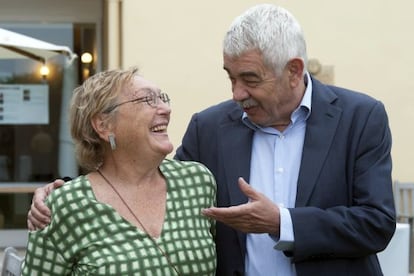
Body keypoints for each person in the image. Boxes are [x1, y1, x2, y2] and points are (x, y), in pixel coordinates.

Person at [28, 4, 395, 276]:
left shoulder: (360, 117)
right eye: (230, 77)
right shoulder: (211, 126)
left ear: (294, 71)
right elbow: (146, 180)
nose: (237, 93)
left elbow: (376, 223)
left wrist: (282, 222)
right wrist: (61, 197)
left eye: (250, 79)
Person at [22, 67, 217, 275]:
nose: (165, 109)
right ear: (104, 125)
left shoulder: (197, 182)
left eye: (162, 98)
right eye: (146, 100)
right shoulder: (65, 206)